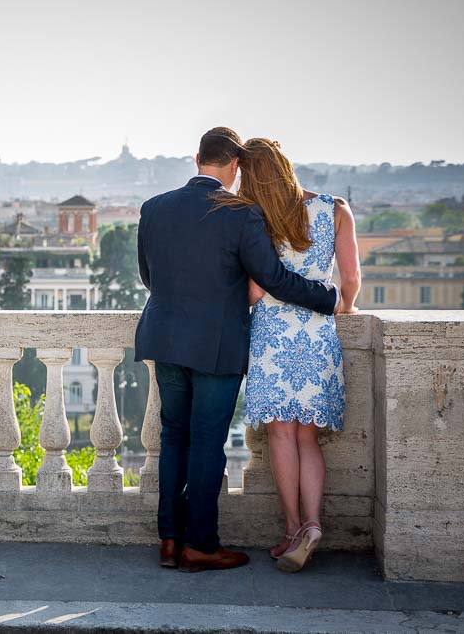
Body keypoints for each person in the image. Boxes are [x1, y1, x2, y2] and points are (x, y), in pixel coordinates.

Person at [135, 127, 339, 572]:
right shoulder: (240, 213)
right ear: (234, 166)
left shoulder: (154, 208)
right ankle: (201, 545)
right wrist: (327, 298)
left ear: (197, 159)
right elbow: (272, 278)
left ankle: (169, 539)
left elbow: (149, 278)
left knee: (174, 438)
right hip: (216, 345)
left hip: (164, 338)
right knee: (207, 442)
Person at [213, 138, 360, 572]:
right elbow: (350, 279)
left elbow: (256, 291)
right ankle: (313, 524)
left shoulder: (255, 218)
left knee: (282, 435)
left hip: (274, 339)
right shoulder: (335, 208)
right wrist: (345, 310)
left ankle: (293, 530)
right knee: (307, 438)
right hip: (318, 336)